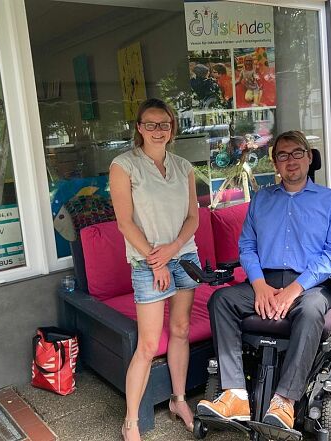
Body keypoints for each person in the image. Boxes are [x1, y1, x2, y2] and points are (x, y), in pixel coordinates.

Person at [197, 130, 331, 430]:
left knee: (310, 310)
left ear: (308, 158)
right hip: (263, 283)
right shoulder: (262, 199)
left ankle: (285, 402)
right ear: (275, 164)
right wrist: (259, 285)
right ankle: (236, 393)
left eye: (296, 154)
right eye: (282, 155)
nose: (290, 161)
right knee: (221, 300)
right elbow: (247, 247)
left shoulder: (330, 200)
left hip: (310, 285)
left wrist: (294, 290)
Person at [109, 98, 200, 440]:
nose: (158, 130)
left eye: (164, 124)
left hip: (185, 256)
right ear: (139, 127)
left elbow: (193, 217)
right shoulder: (124, 165)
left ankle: (178, 400)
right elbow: (124, 222)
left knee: (180, 329)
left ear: (172, 128)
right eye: (150, 124)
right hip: (148, 261)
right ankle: (131, 420)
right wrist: (155, 258)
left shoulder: (184, 166)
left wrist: (173, 250)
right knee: (148, 345)